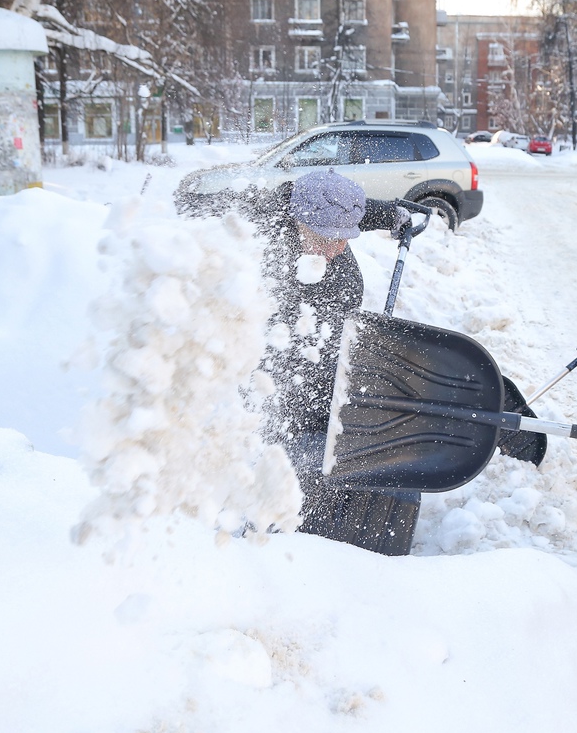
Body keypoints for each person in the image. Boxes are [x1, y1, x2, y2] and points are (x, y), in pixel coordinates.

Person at [175, 168, 416, 555]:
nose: (338, 248)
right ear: (300, 220)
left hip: (328, 345)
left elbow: (354, 212)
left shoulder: (322, 212)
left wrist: (391, 215)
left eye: (344, 238)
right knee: (286, 417)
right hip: (279, 364)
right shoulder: (269, 238)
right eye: (328, 238)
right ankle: (259, 505)